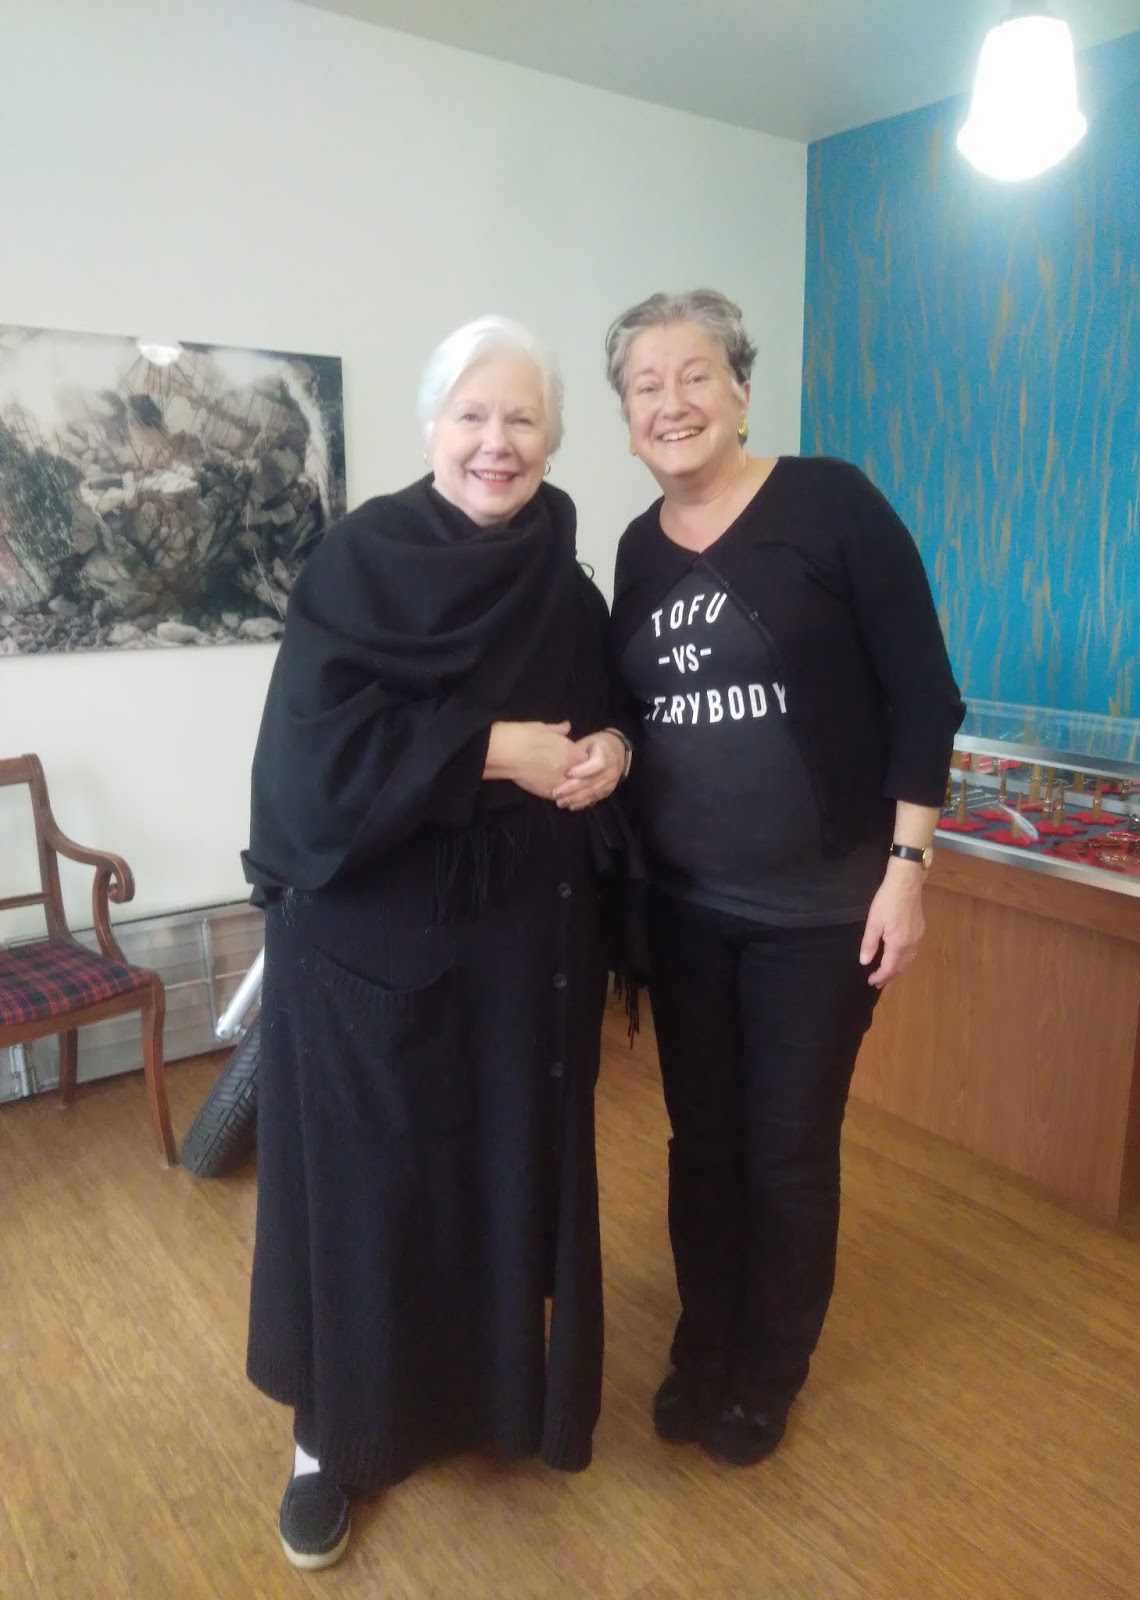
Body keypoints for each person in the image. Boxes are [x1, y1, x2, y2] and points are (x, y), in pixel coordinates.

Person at [241, 316, 630, 1569]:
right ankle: (328, 1439)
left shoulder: (563, 577)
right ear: (430, 428)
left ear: (554, 436)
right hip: (366, 950)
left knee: (490, 1178)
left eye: (522, 418)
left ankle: (481, 1400)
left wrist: (613, 749)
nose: (495, 442)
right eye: (472, 415)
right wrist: (490, 751)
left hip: (515, 950)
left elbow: (605, 708)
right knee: (365, 1198)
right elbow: (311, 766)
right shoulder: (359, 563)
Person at [600, 288, 964, 1467]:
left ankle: (766, 1372)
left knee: (787, 1148)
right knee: (701, 1143)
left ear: (743, 390)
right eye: (646, 385)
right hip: (685, 913)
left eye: (695, 375)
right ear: (625, 418)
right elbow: (636, 714)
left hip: (820, 913)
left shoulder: (831, 502)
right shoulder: (638, 548)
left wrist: (907, 870)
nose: (672, 402)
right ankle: (702, 1343)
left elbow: (925, 698)